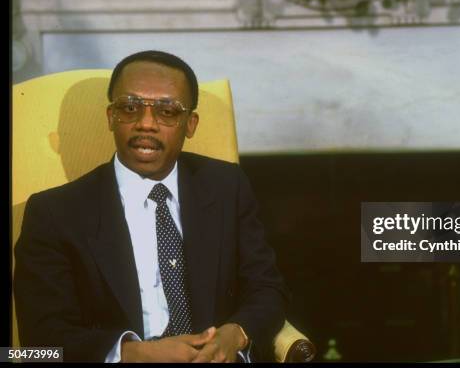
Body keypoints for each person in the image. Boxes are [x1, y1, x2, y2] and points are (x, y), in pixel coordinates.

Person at [14, 50, 289, 362]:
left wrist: (235, 334)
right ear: (110, 117)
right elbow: (39, 344)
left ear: (191, 124)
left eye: (168, 111)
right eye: (129, 108)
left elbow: (267, 287)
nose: (146, 124)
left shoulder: (227, 185)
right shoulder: (54, 213)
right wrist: (132, 354)